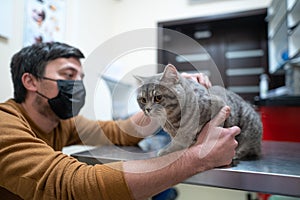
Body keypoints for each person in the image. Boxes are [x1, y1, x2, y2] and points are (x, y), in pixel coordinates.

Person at [0, 42, 240, 200]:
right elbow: (68, 186)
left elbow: (120, 132)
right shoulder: (4, 123)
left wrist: (169, 96)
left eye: (81, 77)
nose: (78, 84)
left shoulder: (60, 122)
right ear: (30, 82)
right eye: (68, 75)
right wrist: (197, 158)